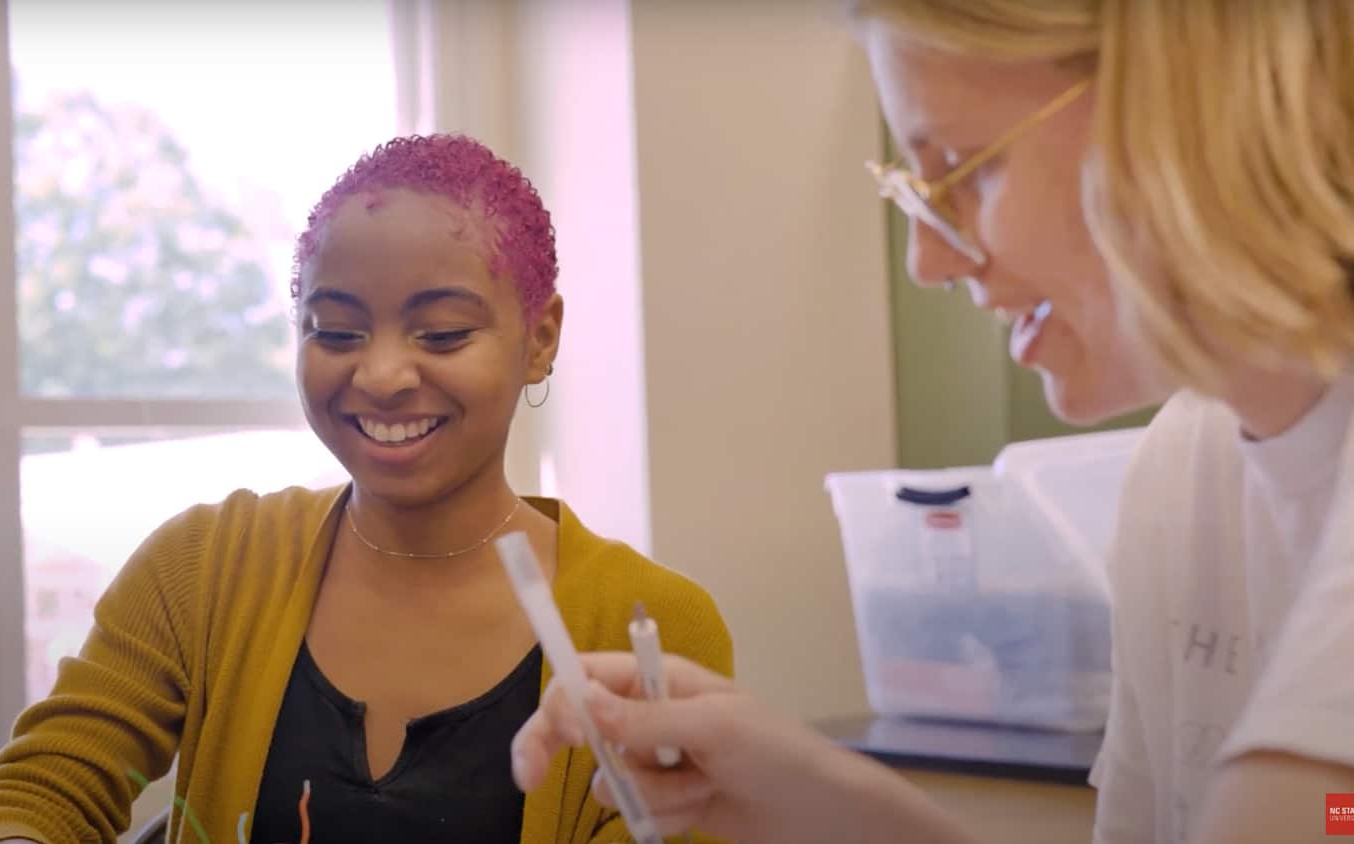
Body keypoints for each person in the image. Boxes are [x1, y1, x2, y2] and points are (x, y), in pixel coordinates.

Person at [512, 3, 1354, 842]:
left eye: (966, 171)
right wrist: (820, 797)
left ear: (1187, 102)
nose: (929, 259)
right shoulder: (1182, 476)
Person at [0, 134, 733, 844]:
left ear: (541, 339)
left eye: (444, 333)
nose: (381, 376)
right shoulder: (206, 568)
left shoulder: (650, 626)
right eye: (337, 332)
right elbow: (43, 790)